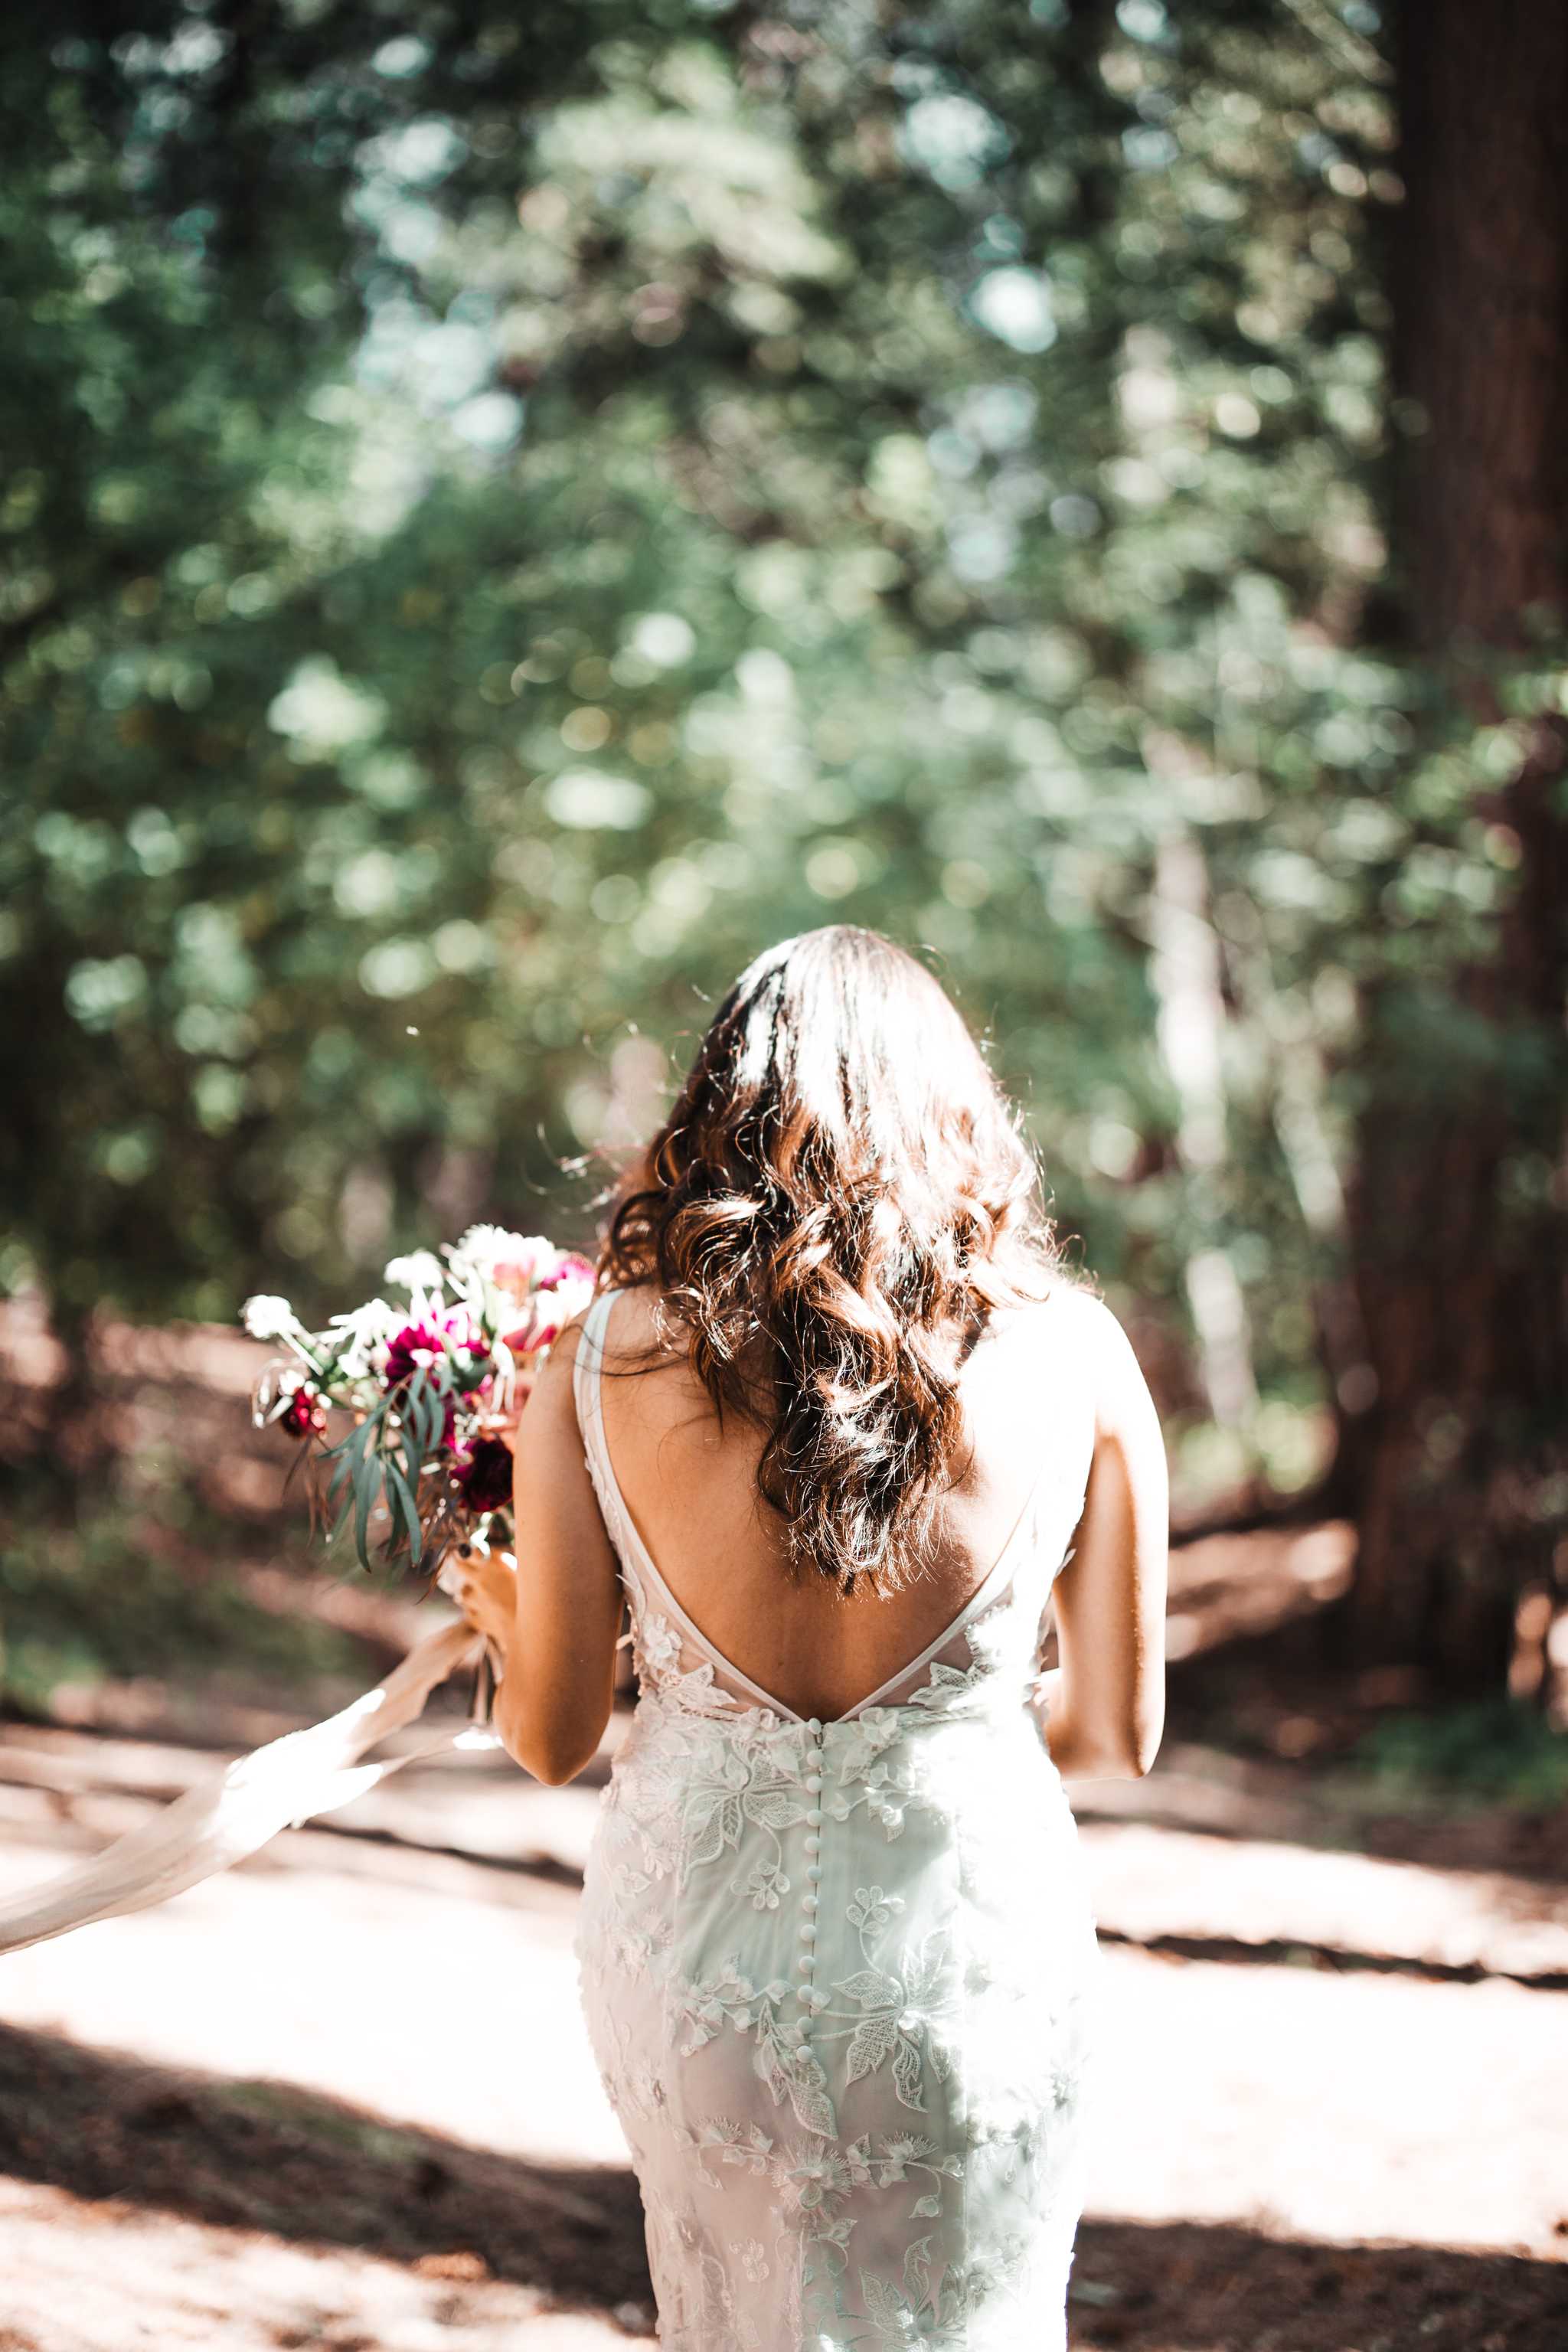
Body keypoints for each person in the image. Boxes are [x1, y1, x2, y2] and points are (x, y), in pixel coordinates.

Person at [449, 924, 1168, 2351]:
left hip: (706, 1978)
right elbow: (1115, 1737)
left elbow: (550, 1736)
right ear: (961, 1109)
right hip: (971, 1971)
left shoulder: (600, 1359)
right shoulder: (1080, 1355)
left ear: (724, 1102)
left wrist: (499, 1604)